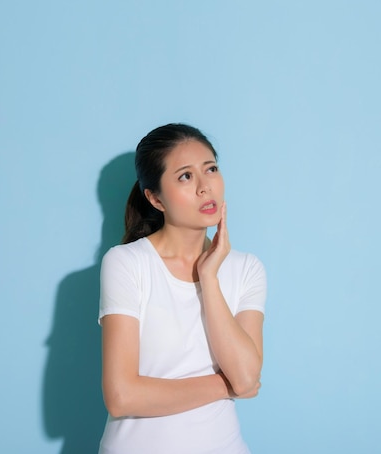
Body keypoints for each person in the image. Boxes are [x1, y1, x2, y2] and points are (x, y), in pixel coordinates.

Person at [98, 123, 266, 453]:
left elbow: (246, 377)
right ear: (155, 198)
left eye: (211, 169)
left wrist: (210, 278)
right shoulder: (127, 263)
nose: (206, 187)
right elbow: (121, 397)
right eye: (185, 176)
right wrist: (225, 386)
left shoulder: (247, 269)